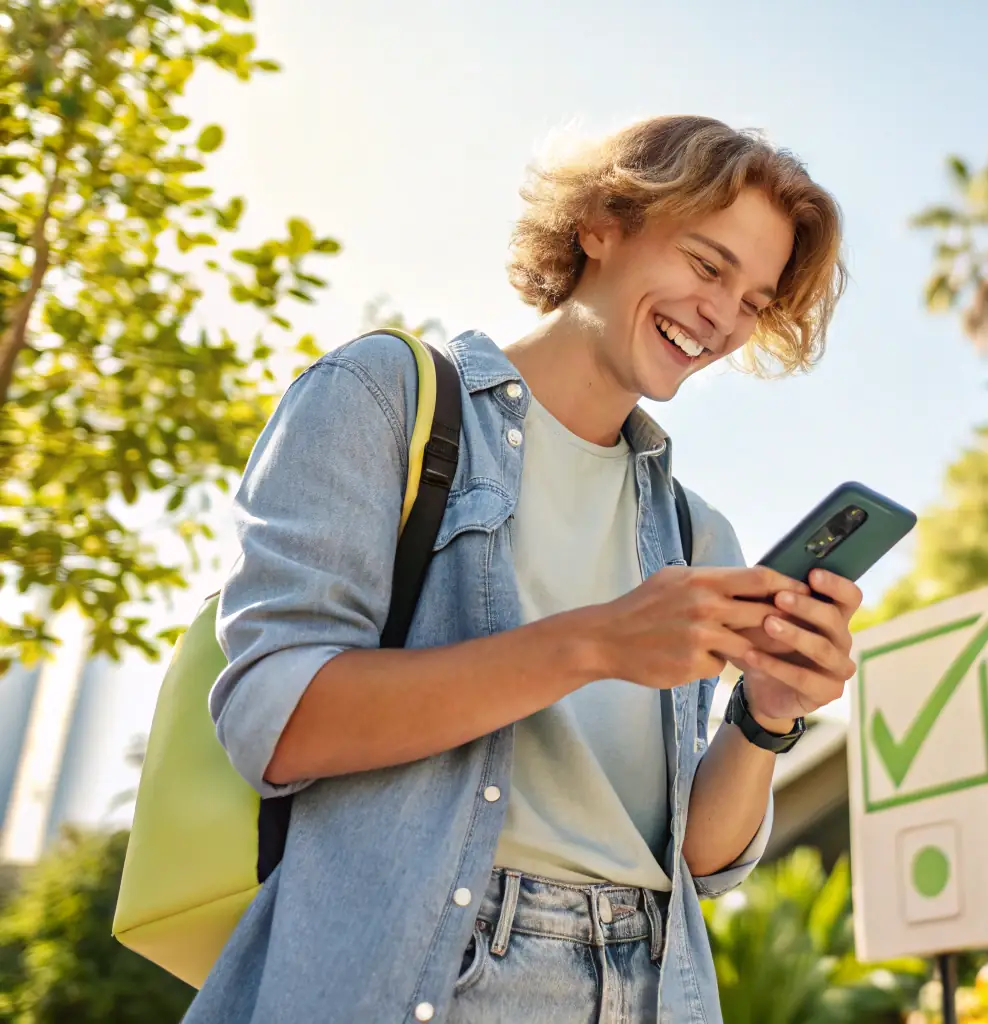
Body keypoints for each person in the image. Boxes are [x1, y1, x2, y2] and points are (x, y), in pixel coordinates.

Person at [185, 114, 854, 1024]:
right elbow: (278, 722)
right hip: (432, 975)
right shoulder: (385, 399)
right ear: (601, 224)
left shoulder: (699, 534)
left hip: (653, 988)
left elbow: (697, 864)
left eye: (753, 300)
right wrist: (591, 643)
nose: (723, 317)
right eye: (707, 265)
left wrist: (769, 716)